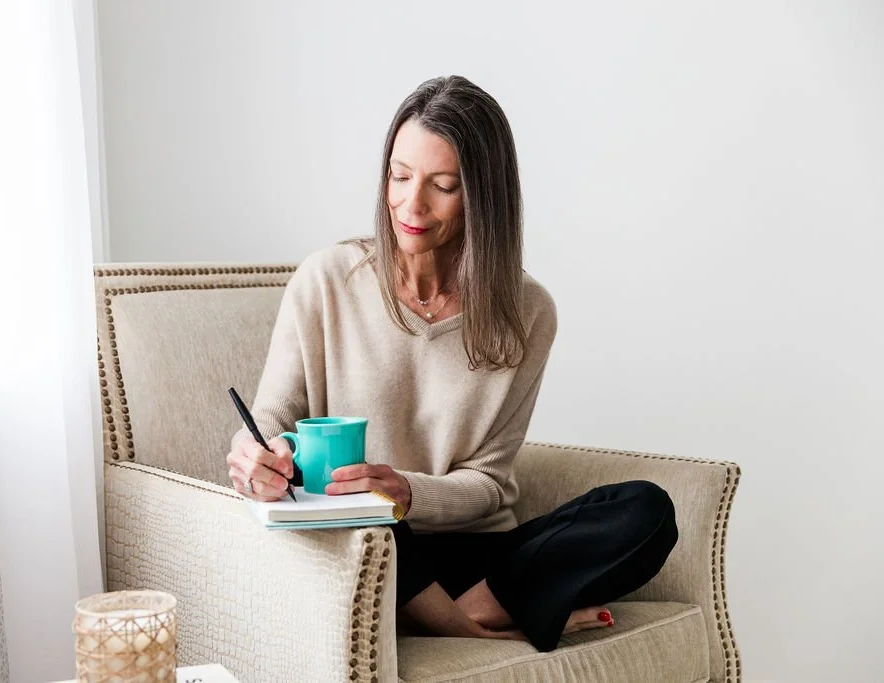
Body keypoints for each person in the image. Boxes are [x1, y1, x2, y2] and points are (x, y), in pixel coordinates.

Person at [226, 75, 677, 652]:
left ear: (484, 197)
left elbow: (489, 482)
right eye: (399, 176)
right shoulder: (327, 281)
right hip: (373, 544)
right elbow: (272, 415)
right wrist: (253, 455)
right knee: (366, 517)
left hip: (475, 555)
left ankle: (450, 614)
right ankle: (482, 631)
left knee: (646, 511)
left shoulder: (528, 311)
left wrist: (409, 491)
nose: (411, 205)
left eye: (443, 186)